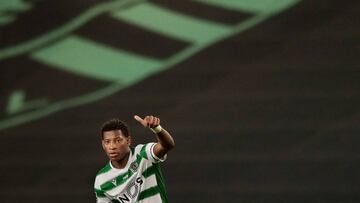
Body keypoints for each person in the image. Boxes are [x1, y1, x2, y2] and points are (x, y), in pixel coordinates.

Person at [94, 115, 175, 203]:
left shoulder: (143, 154)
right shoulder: (101, 179)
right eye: (107, 142)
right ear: (103, 144)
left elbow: (167, 145)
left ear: (128, 140)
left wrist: (157, 129)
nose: (112, 146)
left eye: (118, 140)